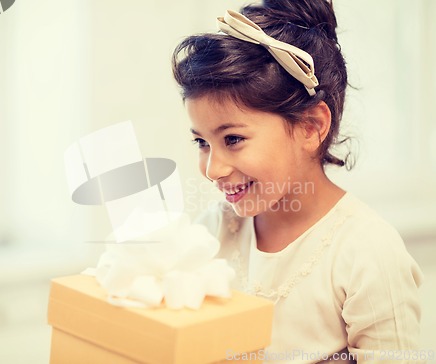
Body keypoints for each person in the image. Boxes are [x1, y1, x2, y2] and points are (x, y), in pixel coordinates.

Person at [172, 1, 424, 363]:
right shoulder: (213, 231)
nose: (212, 169)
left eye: (232, 139)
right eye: (202, 142)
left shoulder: (366, 253)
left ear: (310, 127)